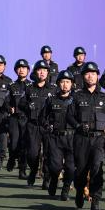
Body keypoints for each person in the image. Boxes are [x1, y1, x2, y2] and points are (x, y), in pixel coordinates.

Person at [67, 61, 105, 210]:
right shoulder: (77, 96)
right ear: (83, 77)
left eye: (93, 73)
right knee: (81, 170)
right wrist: (78, 126)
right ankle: (80, 192)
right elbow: (69, 116)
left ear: (98, 76)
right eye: (87, 73)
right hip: (81, 139)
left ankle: (96, 201)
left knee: (97, 169)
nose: (90, 76)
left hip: (99, 139)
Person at [41, 70, 76, 200]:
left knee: (71, 168)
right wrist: (46, 126)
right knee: (55, 166)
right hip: (55, 137)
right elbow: (42, 117)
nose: (65, 85)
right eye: (62, 82)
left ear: (72, 84)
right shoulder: (51, 100)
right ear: (58, 84)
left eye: (67, 82)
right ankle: (54, 180)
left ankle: (65, 190)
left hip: (72, 138)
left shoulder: (76, 101)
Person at [20, 61, 55, 186]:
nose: (42, 72)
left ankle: (46, 177)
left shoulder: (53, 89)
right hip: (33, 125)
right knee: (32, 153)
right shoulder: (29, 88)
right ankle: (33, 171)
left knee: (48, 154)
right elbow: (21, 103)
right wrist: (28, 105)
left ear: (48, 73)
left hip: (48, 126)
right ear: (35, 72)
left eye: (44, 70)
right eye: (39, 70)